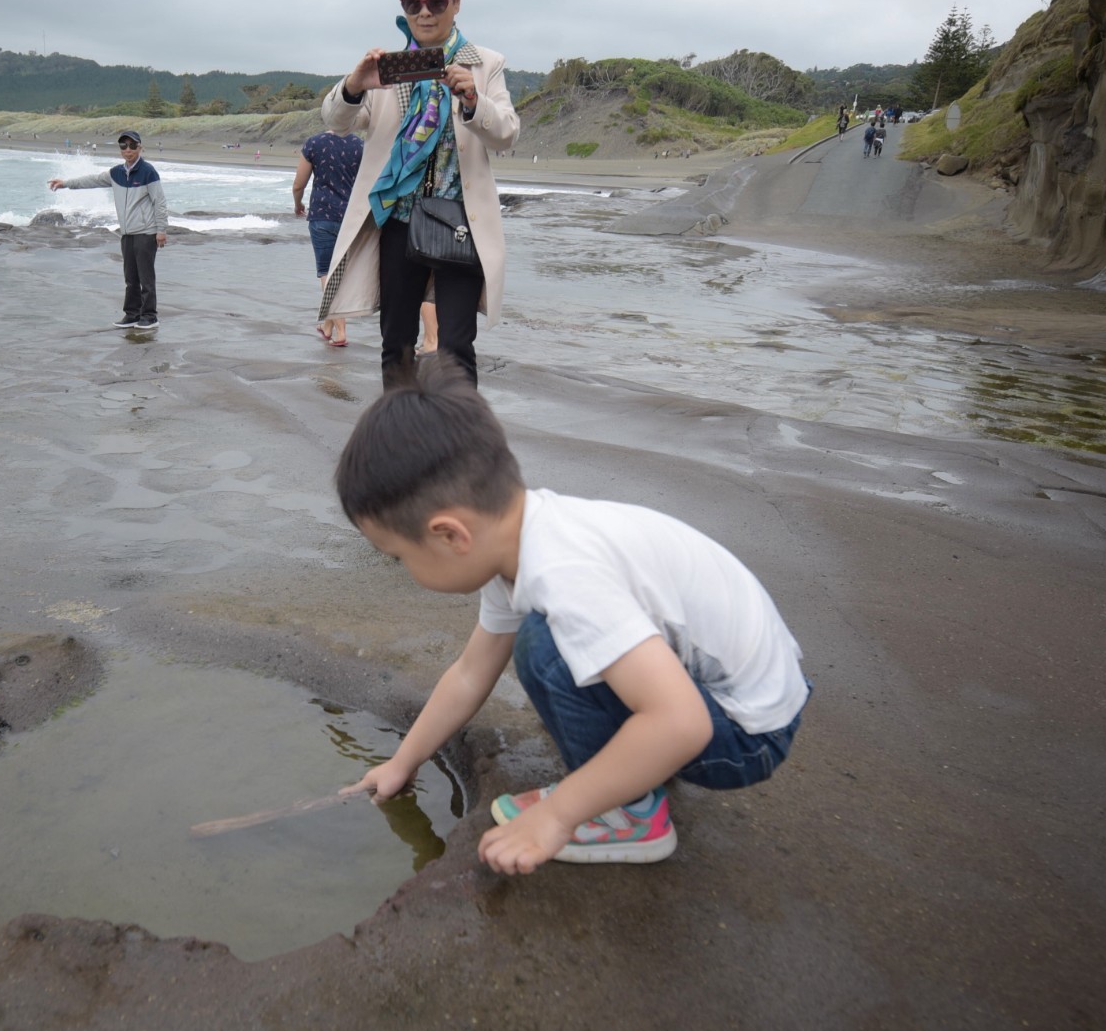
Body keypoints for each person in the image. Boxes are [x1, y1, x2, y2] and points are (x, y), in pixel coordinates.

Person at [337, 358, 810, 871]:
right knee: (542, 643)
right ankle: (630, 770)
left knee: (545, 647)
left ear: (451, 534)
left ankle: (630, 813)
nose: (404, 570)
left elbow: (683, 723)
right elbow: (471, 674)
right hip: (726, 691)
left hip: (748, 733)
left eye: (399, 556)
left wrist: (557, 816)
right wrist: (403, 762)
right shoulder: (522, 540)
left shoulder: (565, 574)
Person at [318, 0, 520, 388]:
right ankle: (402, 439)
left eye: (436, 1)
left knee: (456, 349)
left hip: (461, 224)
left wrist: (473, 99)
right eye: (413, 3)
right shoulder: (389, 70)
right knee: (397, 342)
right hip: (398, 222)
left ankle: (460, 443)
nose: (424, 13)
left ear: (457, 0)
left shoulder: (484, 64)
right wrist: (355, 85)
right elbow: (337, 121)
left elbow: (507, 133)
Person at [48, 130, 169, 331]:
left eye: (132, 146)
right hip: (127, 233)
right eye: (124, 146)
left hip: (146, 232)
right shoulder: (116, 173)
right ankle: (132, 314)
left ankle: (149, 316)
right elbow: (92, 180)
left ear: (140, 148)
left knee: (145, 277)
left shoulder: (148, 172)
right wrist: (66, 184)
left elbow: (160, 202)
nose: (128, 150)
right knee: (131, 278)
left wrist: (161, 230)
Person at [292, 130, 363, 345]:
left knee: (326, 273)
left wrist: (298, 204)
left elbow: (298, 185)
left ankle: (341, 331)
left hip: (322, 215)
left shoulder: (315, 142)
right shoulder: (360, 145)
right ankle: (327, 326)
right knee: (339, 273)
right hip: (350, 217)